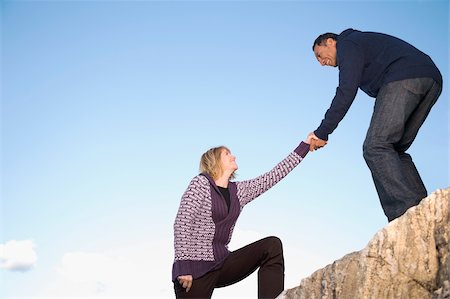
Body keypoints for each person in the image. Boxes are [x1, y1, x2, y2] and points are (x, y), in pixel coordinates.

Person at [309, 28, 442, 222]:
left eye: (319, 55)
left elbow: (346, 91)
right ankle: (424, 211)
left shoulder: (348, 44)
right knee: (394, 150)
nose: (321, 63)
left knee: (375, 146)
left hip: (403, 76)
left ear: (330, 42)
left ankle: (405, 216)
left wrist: (322, 132)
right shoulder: (360, 45)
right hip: (430, 79)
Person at [172, 135, 312, 298]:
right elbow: (182, 223)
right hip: (194, 269)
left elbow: (273, 176)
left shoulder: (239, 191)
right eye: (227, 154)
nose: (233, 156)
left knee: (272, 246)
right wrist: (183, 266)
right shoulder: (200, 184)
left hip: (222, 262)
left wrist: (305, 147)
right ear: (215, 160)